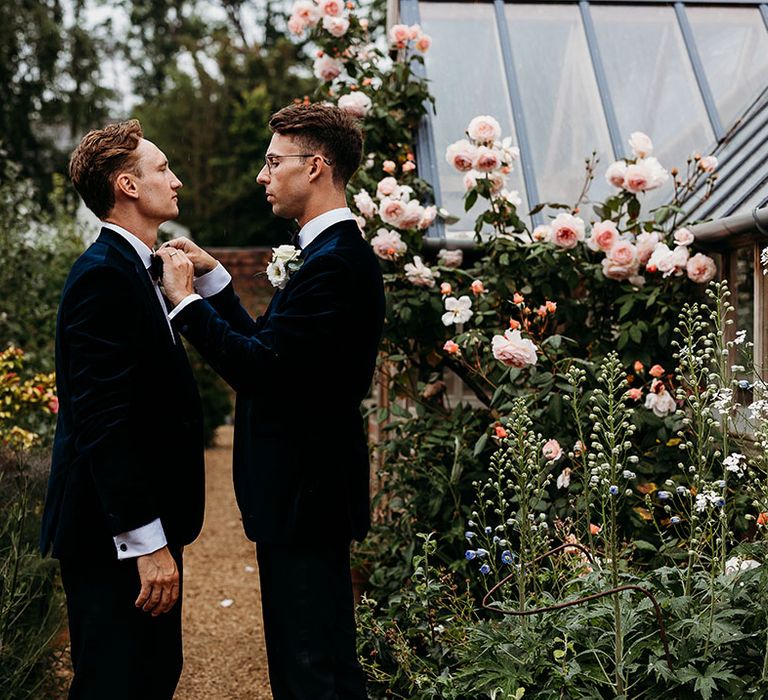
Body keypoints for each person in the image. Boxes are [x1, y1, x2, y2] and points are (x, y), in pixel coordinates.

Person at [157, 102, 384, 699]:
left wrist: (185, 305)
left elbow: (262, 369)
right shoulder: (323, 256)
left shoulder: (335, 264)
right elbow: (272, 344)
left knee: (313, 673)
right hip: (300, 500)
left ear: (316, 167)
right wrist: (215, 283)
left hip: (306, 497)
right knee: (308, 663)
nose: (263, 175)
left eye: (273, 162)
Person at [39, 120, 205, 699]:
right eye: (163, 169)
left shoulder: (140, 269)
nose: (176, 180)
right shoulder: (101, 277)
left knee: (153, 677)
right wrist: (147, 544)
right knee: (116, 684)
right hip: (111, 536)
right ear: (128, 186)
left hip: (139, 526)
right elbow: (102, 422)